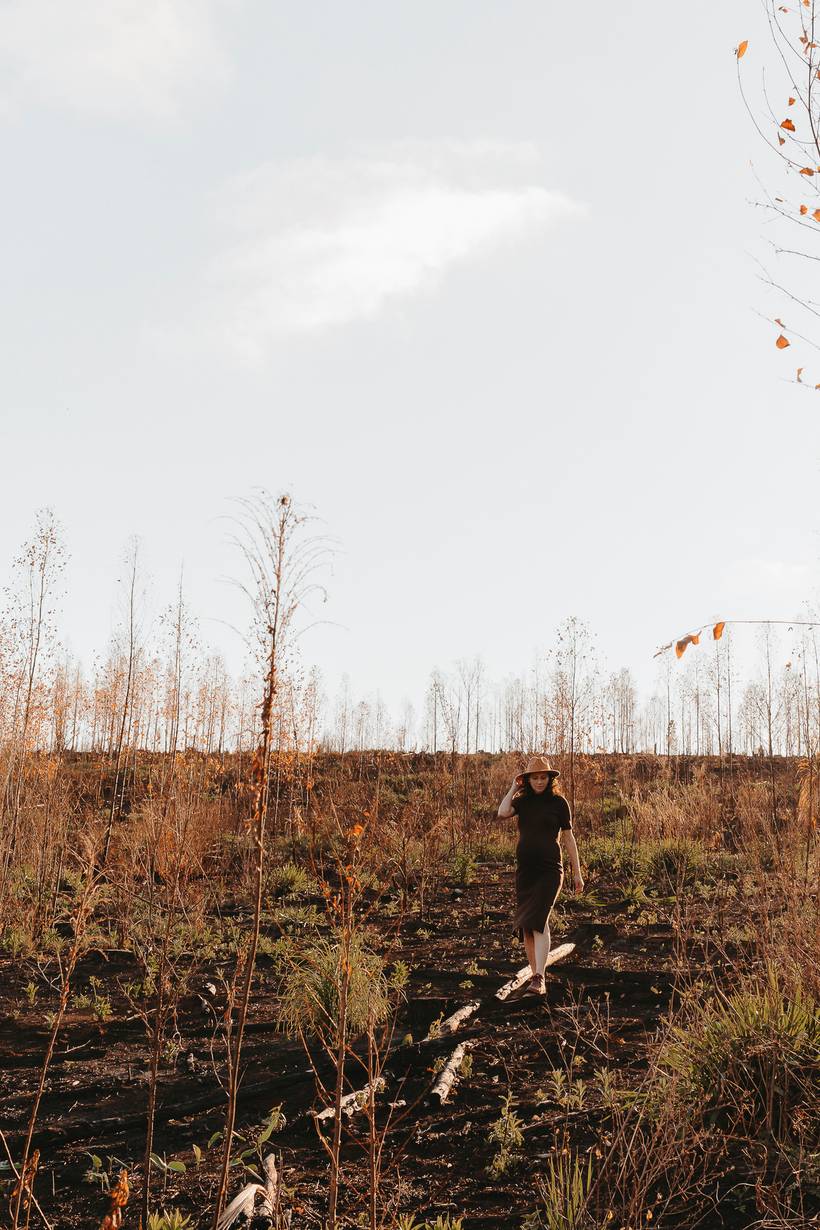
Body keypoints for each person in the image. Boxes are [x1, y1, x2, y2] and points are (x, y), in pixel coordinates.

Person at [497, 755, 584, 996]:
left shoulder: (559, 803)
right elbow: (503, 812)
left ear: (549, 778)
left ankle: (539, 977)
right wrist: (514, 786)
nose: (539, 781)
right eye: (534, 778)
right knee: (527, 926)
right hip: (526, 873)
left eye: (543, 777)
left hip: (549, 871)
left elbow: (568, 838)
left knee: (539, 919)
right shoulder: (522, 801)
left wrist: (577, 873)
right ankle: (536, 977)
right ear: (528, 780)